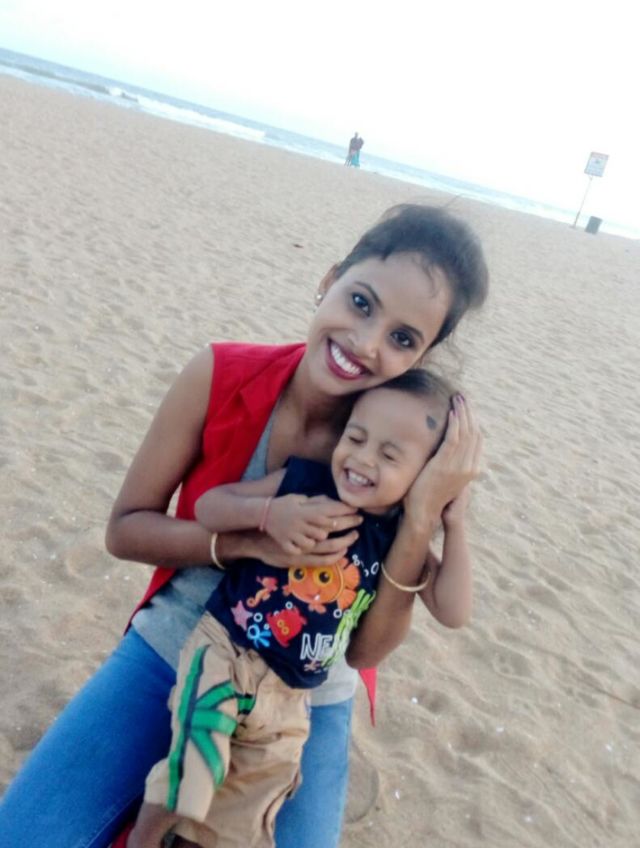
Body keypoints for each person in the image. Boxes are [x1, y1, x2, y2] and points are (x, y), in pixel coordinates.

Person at [0, 203, 488, 848]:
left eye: (403, 339)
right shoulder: (221, 373)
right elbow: (124, 530)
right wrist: (251, 539)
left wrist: (423, 516)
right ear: (329, 279)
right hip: (183, 639)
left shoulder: (401, 456)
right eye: (361, 303)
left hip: (307, 692)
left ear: (423, 356)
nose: (367, 343)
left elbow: (367, 652)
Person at [128, 369, 475, 848]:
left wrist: (452, 522)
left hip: (291, 697)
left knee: (238, 815)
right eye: (355, 437)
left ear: (427, 478)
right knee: (197, 766)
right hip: (227, 653)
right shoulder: (306, 482)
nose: (362, 458)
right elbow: (210, 506)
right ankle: (142, 840)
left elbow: (454, 611)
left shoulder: (398, 541)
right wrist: (268, 514)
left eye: (390, 455)